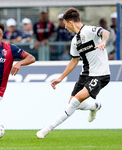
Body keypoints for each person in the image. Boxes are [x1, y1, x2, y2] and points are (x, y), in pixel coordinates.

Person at [36, 8, 110, 139]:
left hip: (100, 74)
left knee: (75, 101)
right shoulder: (75, 41)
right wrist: (60, 78)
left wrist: (103, 41)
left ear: (70, 22)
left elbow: (105, 32)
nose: (64, 27)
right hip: (85, 74)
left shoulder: (88, 30)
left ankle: (48, 129)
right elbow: (74, 61)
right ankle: (95, 106)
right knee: (73, 103)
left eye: (65, 23)